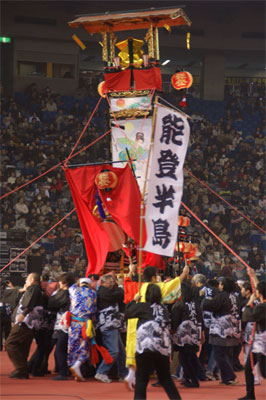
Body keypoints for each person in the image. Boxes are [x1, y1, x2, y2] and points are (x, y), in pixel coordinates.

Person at [123, 264, 189, 390]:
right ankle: (136, 378)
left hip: (135, 318)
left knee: (136, 350)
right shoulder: (154, 287)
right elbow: (171, 286)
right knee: (152, 353)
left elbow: (127, 284)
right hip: (148, 321)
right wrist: (183, 274)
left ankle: (131, 376)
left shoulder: (139, 286)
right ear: (153, 277)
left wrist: (130, 272)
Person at [125, 284, 181, 400]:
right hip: (162, 347)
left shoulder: (142, 306)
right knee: (165, 379)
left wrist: (134, 301)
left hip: (144, 346)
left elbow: (127, 313)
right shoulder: (163, 309)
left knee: (141, 379)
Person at [202, 277, 241, 385]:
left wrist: (205, 300)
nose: (219, 285)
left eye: (220, 284)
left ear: (223, 286)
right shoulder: (235, 297)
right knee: (228, 354)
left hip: (221, 330)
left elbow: (211, 306)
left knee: (219, 354)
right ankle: (226, 378)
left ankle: (229, 376)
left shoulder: (222, 296)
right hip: (233, 328)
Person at [6, 273, 43, 379]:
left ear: (32, 280)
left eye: (27, 280)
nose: (25, 281)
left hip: (26, 322)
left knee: (10, 343)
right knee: (23, 346)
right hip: (31, 324)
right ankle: (22, 370)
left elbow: (29, 304)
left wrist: (22, 314)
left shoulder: (34, 289)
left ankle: (21, 368)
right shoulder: (33, 289)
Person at [94, 274, 127, 383]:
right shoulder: (102, 291)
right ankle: (101, 372)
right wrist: (121, 286)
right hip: (108, 324)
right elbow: (118, 296)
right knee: (114, 351)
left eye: (113, 281)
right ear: (102, 283)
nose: (112, 283)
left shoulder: (107, 291)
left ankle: (124, 374)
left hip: (114, 324)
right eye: (110, 282)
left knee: (122, 352)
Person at [238, 274, 266, 400]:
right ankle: (250, 394)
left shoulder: (262, 307)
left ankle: (250, 394)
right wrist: (252, 275)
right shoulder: (262, 303)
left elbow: (248, 316)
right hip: (258, 342)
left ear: (259, 293)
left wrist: (249, 303)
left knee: (264, 372)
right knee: (249, 367)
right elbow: (260, 287)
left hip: (262, 343)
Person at [171, 282, 203, 388]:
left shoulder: (180, 305)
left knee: (184, 358)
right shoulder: (196, 305)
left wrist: (172, 331)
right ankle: (189, 378)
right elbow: (200, 320)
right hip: (195, 334)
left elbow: (175, 321)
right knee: (190, 357)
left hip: (183, 336)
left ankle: (193, 380)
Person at [67, 278, 96, 381]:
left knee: (72, 345)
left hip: (73, 323)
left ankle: (74, 368)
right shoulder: (93, 293)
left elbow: (72, 285)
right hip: (84, 324)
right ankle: (78, 364)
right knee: (84, 346)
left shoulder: (73, 290)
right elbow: (93, 310)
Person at [48, 272, 75, 380]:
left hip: (65, 323)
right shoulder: (75, 292)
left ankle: (63, 372)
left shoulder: (64, 293)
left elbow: (51, 304)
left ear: (64, 283)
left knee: (60, 349)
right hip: (75, 323)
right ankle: (64, 370)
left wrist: (54, 293)